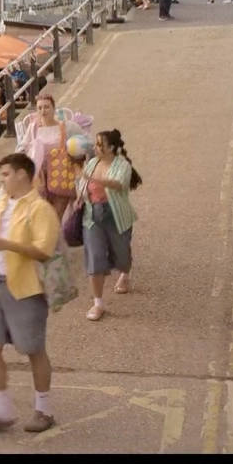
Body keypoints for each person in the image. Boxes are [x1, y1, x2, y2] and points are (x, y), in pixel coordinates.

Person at [0, 153, 60, 434]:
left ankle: (44, 410)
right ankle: (1, 412)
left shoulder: (40, 209)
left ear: (21, 174)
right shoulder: (1, 203)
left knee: (32, 349)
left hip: (26, 289)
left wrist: (8, 244)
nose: (2, 179)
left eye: (5, 174)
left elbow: (43, 251)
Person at [77, 129, 142, 322]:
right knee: (95, 258)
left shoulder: (122, 165)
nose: (95, 148)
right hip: (92, 216)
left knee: (121, 255)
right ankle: (98, 303)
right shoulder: (91, 163)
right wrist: (79, 197)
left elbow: (118, 184)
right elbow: (82, 186)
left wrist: (92, 179)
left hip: (116, 216)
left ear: (112, 147)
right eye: (95, 144)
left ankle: (124, 272)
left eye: (100, 144)